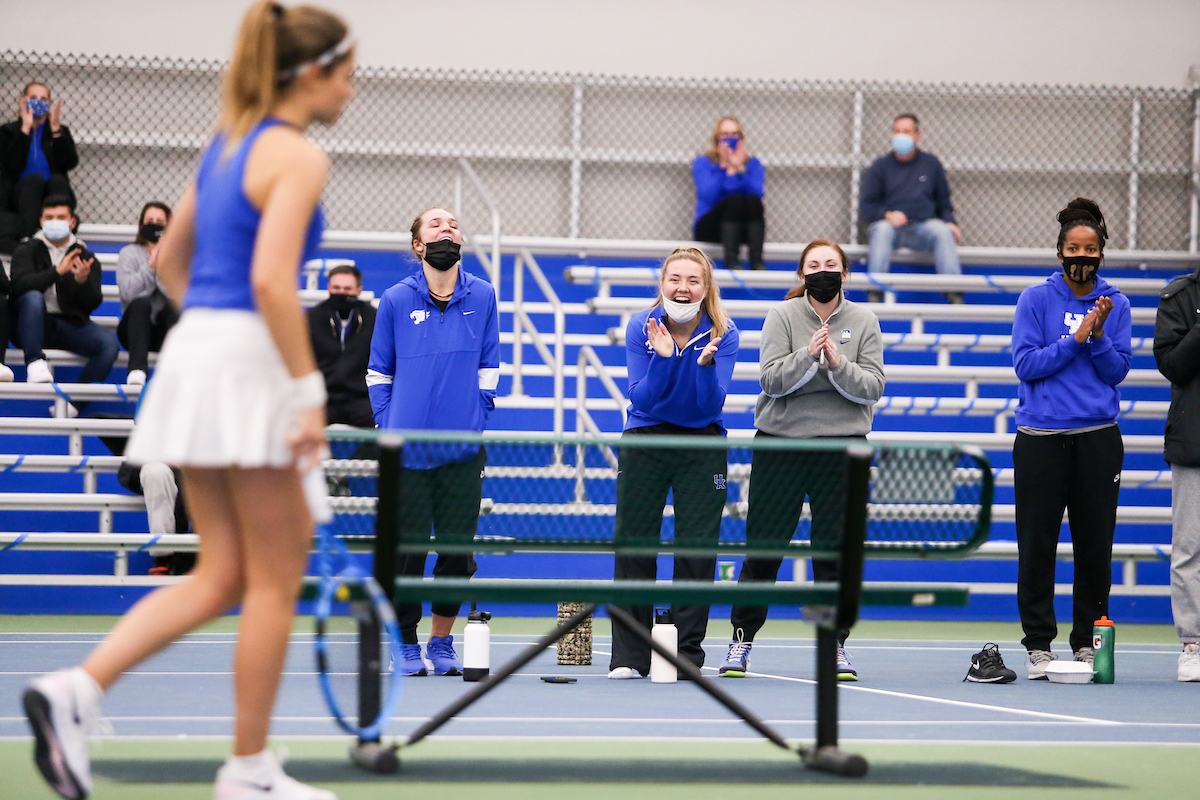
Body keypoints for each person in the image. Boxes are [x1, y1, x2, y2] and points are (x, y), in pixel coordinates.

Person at [21, 4, 355, 799]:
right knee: (275, 579)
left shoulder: (226, 145)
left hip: (197, 357)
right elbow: (274, 280)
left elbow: (171, 261)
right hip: (243, 360)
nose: (350, 88)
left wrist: (212, 333)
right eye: (345, 72)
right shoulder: (299, 157)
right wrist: (306, 390)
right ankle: (248, 771)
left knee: (222, 577)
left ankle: (76, 688)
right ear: (309, 74)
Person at [718, 239, 884, 681]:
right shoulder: (782, 316)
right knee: (764, 549)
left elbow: (871, 388)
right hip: (781, 445)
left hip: (843, 449)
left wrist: (836, 362)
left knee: (834, 553)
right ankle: (741, 640)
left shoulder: (864, 320)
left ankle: (835, 645)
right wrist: (808, 354)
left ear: (844, 274)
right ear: (802, 275)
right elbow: (771, 380)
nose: (824, 271)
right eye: (815, 265)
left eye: (832, 264)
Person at [368, 206, 500, 677]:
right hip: (406, 454)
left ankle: (441, 642)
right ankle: (403, 643)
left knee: (457, 553)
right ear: (419, 246)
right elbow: (378, 372)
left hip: (462, 452)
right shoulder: (395, 300)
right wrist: (390, 426)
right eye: (436, 225)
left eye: (454, 225)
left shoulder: (483, 296)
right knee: (406, 552)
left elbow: (490, 367)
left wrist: (477, 414)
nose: (448, 229)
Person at [1011, 198, 1131, 680]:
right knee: (1036, 544)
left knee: (1094, 545)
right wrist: (1077, 337)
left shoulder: (1116, 303)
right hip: (1040, 438)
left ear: (1101, 254)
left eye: (1091, 249)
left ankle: (1087, 641)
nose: (1082, 256)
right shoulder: (1035, 300)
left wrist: (1099, 336)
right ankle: (1039, 644)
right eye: (1073, 248)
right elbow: (1026, 365)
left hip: (1098, 440)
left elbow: (1117, 372)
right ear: (1059, 253)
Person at [607, 247, 740, 679]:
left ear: (706, 287)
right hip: (645, 437)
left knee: (697, 551)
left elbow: (709, 406)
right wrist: (664, 360)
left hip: (702, 443)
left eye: (693, 281)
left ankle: (686, 655)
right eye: (674, 279)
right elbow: (642, 398)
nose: (682, 288)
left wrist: (703, 367)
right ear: (662, 284)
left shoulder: (725, 332)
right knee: (634, 545)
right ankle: (629, 655)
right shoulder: (640, 327)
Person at [10, 196, 118, 406]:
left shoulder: (85, 255)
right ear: (41, 221)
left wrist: (82, 282)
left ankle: (75, 405)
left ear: (72, 222)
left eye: (61, 217)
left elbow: (93, 303)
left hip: (68, 325)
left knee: (109, 345)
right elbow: (19, 286)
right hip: (31, 324)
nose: (55, 221)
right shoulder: (26, 250)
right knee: (33, 297)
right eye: (49, 217)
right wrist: (57, 272)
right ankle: (34, 361)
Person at [1152, 261, 1200, 682]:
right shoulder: (1181, 296)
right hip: (1194, 440)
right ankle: (1193, 643)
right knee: (1189, 546)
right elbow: (1171, 365)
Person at [859, 113, 963, 302]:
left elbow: (944, 203)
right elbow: (866, 207)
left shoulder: (932, 164)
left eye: (906, 131)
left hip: (924, 227)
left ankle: (954, 293)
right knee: (881, 229)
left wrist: (950, 222)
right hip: (892, 230)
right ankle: (875, 291)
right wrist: (887, 215)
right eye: (897, 131)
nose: (901, 136)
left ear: (917, 135)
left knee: (942, 231)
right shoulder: (879, 167)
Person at [0, 82, 78, 247]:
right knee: (33, 180)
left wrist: (56, 131)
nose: (39, 102)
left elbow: (70, 162)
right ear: (23, 101)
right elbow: (10, 166)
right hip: (20, 197)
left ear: (49, 104)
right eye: (33, 98)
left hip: (51, 194)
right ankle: (28, 237)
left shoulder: (58, 130)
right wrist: (25, 130)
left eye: (43, 99)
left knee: (57, 181)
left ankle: (63, 234)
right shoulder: (9, 131)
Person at [116, 201, 177, 385]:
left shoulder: (178, 257)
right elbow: (129, 293)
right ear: (141, 225)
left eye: (160, 221)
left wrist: (163, 263)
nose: (154, 224)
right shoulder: (128, 253)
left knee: (174, 308)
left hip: (163, 331)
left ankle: (176, 370)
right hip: (133, 330)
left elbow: (178, 295)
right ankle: (136, 370)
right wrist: (151, 265)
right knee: (140, 303)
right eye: (150, 220)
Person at [692, 116, 765, 270]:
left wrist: (739, 169)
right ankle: (731, 262)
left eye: (734, 134)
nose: (729, 139)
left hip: (740, 228)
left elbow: (757, 194)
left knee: (751, 201)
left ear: (741, 138)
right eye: (724, 134)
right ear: (716, 138)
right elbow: (709, 195)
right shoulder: (703, 163)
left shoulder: (753, 164)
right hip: (710, 227)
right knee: (733, 201)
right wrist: (725, 167)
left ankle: (757, 262)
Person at [307, 263, 375, 428]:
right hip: (323, 398)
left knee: (382, 423)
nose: (341, 293)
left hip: (360, 399)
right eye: (336, 288)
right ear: (328, 288)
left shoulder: (374, 319)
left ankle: (360, 456)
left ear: (359, 291)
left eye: (347, 289)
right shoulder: (311, 318)